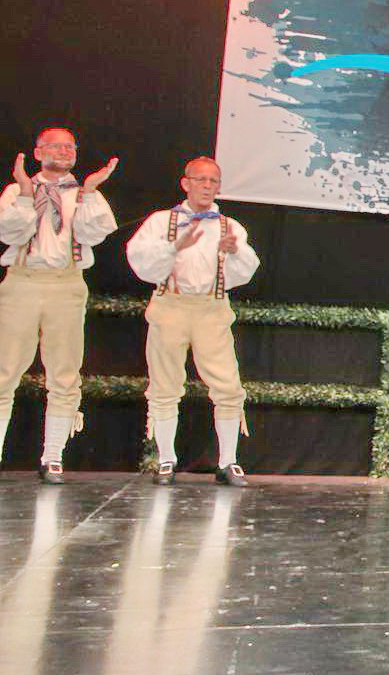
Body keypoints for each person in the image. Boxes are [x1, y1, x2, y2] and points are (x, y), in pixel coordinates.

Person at [124, 158, 261, 486]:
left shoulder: (230, 226)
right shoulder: (161, 222)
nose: (207, 186)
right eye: (200, 179)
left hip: (210, 309)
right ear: (185, 183)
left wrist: (235, 252)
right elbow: (141, 263)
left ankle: (227, 462)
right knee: (164, 384)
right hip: (171, 306)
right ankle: (166, 459)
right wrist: (173, 247)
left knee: (227, 385)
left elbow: (245, 271)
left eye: (213, 181)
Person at [0, 128, 118, 483]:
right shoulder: (16, 191)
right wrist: (25, 192)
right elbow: (10, 233)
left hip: (65, 284)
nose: (64, 151)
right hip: (23, 282)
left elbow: (95, 233)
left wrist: (90, 192)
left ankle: (52, 456)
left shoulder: (83, 194)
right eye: (56, 146)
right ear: (38, 152)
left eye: (70, 147)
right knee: (4, 371)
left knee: (65, 373)